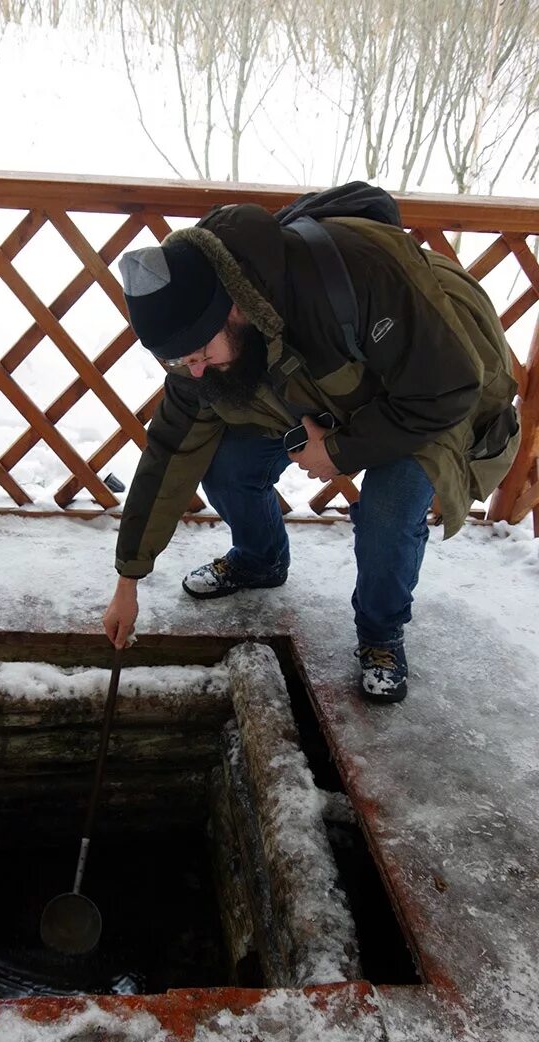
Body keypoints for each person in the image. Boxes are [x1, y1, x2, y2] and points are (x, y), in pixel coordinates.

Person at [102, 195, 520, 703]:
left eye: (199, 354)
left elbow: (447, 390)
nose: (193, 370)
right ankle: (261, 560)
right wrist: (129, 577)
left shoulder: (354, 277)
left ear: (234, 308)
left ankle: (380, 633)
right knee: (227, 466)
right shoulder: (206, 351)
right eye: (180, 361)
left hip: (428, 397)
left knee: (388, 511)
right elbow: (167, 453)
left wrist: (338, 453)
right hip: (311, 397)